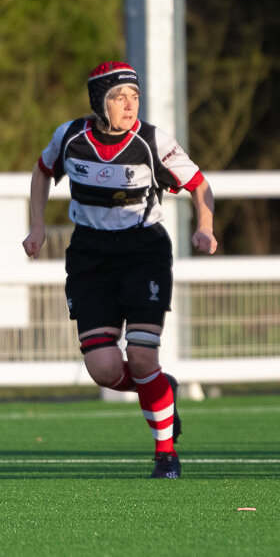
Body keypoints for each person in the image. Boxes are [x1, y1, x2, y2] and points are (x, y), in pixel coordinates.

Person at [22, 62, 217, 479]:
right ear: (99, 102)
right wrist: (36, 227)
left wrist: (205, 227)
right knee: (105, 369)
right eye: (118, 97)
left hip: (142, 251)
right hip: (89, 256)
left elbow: (199, 184)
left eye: (135, 96)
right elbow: (42, 174)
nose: (130, 105)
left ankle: (165, 454)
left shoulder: (151, 141)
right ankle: (162, 392)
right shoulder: (70, 137)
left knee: (143, 357)